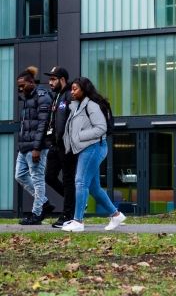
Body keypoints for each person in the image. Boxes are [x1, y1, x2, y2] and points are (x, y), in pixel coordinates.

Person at [62, 77, 126, 232]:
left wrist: (79, 136)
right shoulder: (77, 106)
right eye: (72, 89)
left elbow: (101, 128)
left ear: (84, 90)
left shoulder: (91, 105)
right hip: (86, 148)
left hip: (94, 147)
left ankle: (78, 221)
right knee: (93, 187)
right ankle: (116, 215)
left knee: (80, 182)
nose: (72, 91)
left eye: (75, 89)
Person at [15, 66, 54, 225]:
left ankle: (37, 214)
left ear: (31, 82)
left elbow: (43, 125)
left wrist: (37, 148)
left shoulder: (42, 96)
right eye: (19, 86)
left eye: (23, 85)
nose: (20, 88)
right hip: (24, 147)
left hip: (36, 148)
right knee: (20, 175)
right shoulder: (28, 98)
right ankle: (44, 203)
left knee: (37, 179)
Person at [44, 66, 77, 228]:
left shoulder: (70, 95)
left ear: (62, 79)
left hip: (67, 146)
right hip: (55, 145)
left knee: (68, 179)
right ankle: (75, 202)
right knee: (49, 177)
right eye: (50, 79)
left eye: (53, 79)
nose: (50, 82)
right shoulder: (56, 96)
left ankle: (67, 215)